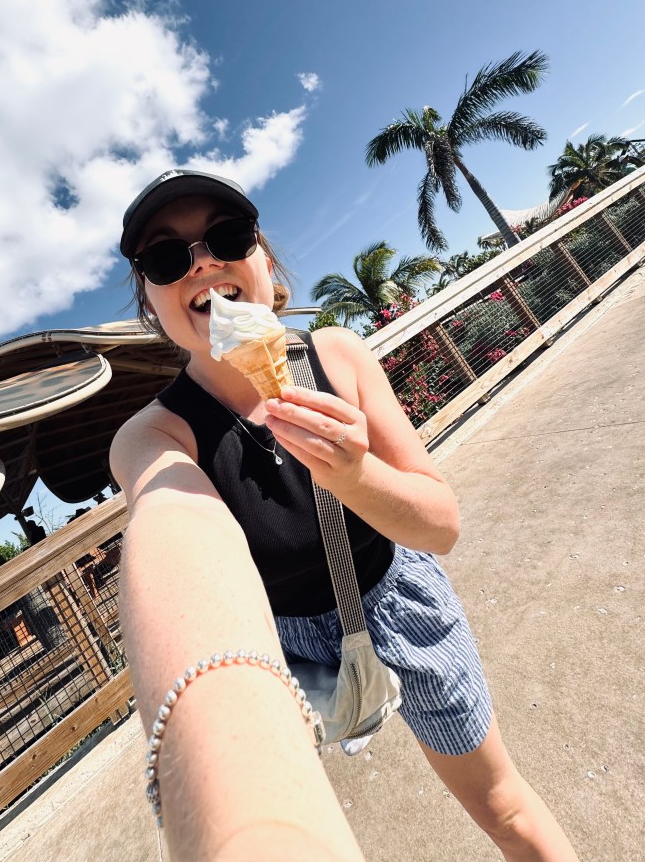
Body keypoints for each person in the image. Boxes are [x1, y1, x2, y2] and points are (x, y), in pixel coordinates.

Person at [111, 169, 579, 862]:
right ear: (151, 303)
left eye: (228, 237)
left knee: (504, 807)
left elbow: (439, 526)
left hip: (398, 595)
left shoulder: (336, 355)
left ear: (263, 261)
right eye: (166, 257)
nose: (203, 261)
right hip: (287, 644)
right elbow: (175, 530)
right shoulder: (154, 437)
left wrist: (356, 474)